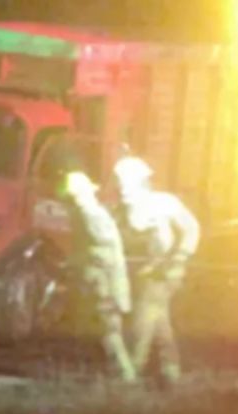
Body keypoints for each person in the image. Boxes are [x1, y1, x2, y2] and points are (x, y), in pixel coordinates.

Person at [113, 156, 200, 386]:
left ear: (142, 182)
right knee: (159, 319)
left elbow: (192, 227)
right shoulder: (123, 212)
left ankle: (131, 371)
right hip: (144, 274)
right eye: (119, 183)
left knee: (144, 317)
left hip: (164, 273)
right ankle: (170, 371)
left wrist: (181, 256)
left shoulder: (163, 202)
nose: (122, 188)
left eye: (126, 183)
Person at [61, 171, 137, 383]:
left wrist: (80, 263)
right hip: (100, 282)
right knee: (101, 331)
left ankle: (124, 375)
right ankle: (110, 375)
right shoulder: (89, 213)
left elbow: (104, 248)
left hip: (104, 283)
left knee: (109, 332)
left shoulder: (90, 214)